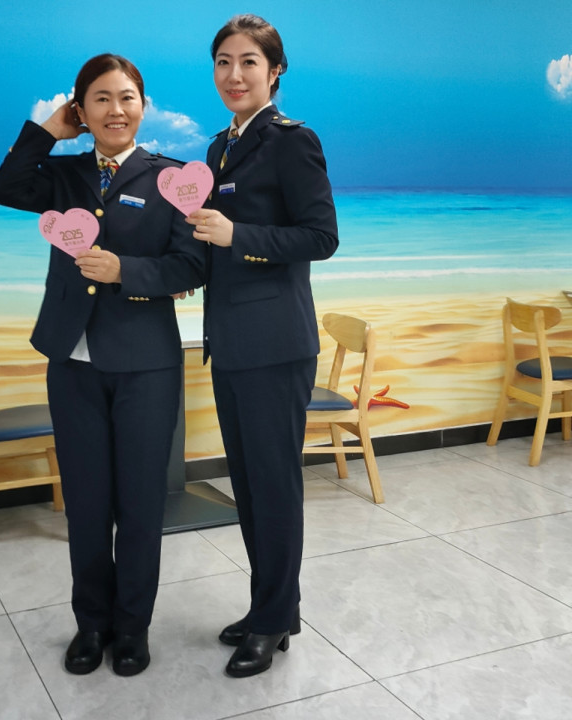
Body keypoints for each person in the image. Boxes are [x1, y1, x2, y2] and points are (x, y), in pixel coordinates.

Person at [0, 53, 205, 677]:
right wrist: (47, 132)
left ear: (144, 106)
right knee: (85, 503)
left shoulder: (172, 178)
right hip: (72, 362)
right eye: (101, 99)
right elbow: (4, 188)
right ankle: (91, 624)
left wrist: (123, 271)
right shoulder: (63, 175)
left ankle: (132, 628)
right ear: (82, 110)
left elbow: (192, 266)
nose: (116, 110)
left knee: (139, 503)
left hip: (146, 365)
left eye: (127, 97)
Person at [186, 15, 339, 678]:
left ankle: (274, 620)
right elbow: (212, 239)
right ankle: (268, 609)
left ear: (274, 71)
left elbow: (321, 237)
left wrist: (236, 235)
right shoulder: (218, 147)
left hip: (276, 345)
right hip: (231, 343)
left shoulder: (292, 141)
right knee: (249, 488)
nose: (234, 74)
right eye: (223, 61)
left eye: (248, 61)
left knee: (273, 489)